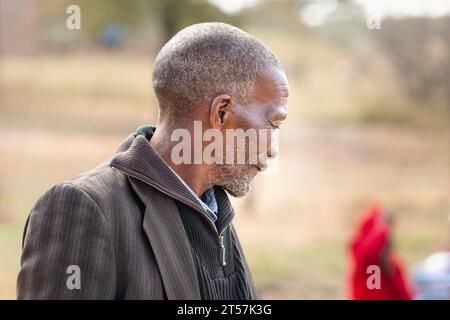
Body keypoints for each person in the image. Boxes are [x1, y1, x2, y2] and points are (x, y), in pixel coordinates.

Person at [17, 22, 289, 299]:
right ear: (221, 113)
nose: (272, 150)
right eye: (273, 124)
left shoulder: (215, 214)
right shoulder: (83, 208)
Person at [348, 203, 413, 299]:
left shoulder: (391, 266)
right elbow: (367, 252)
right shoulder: (365, 265)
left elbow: (404, 293)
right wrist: (383, 228)